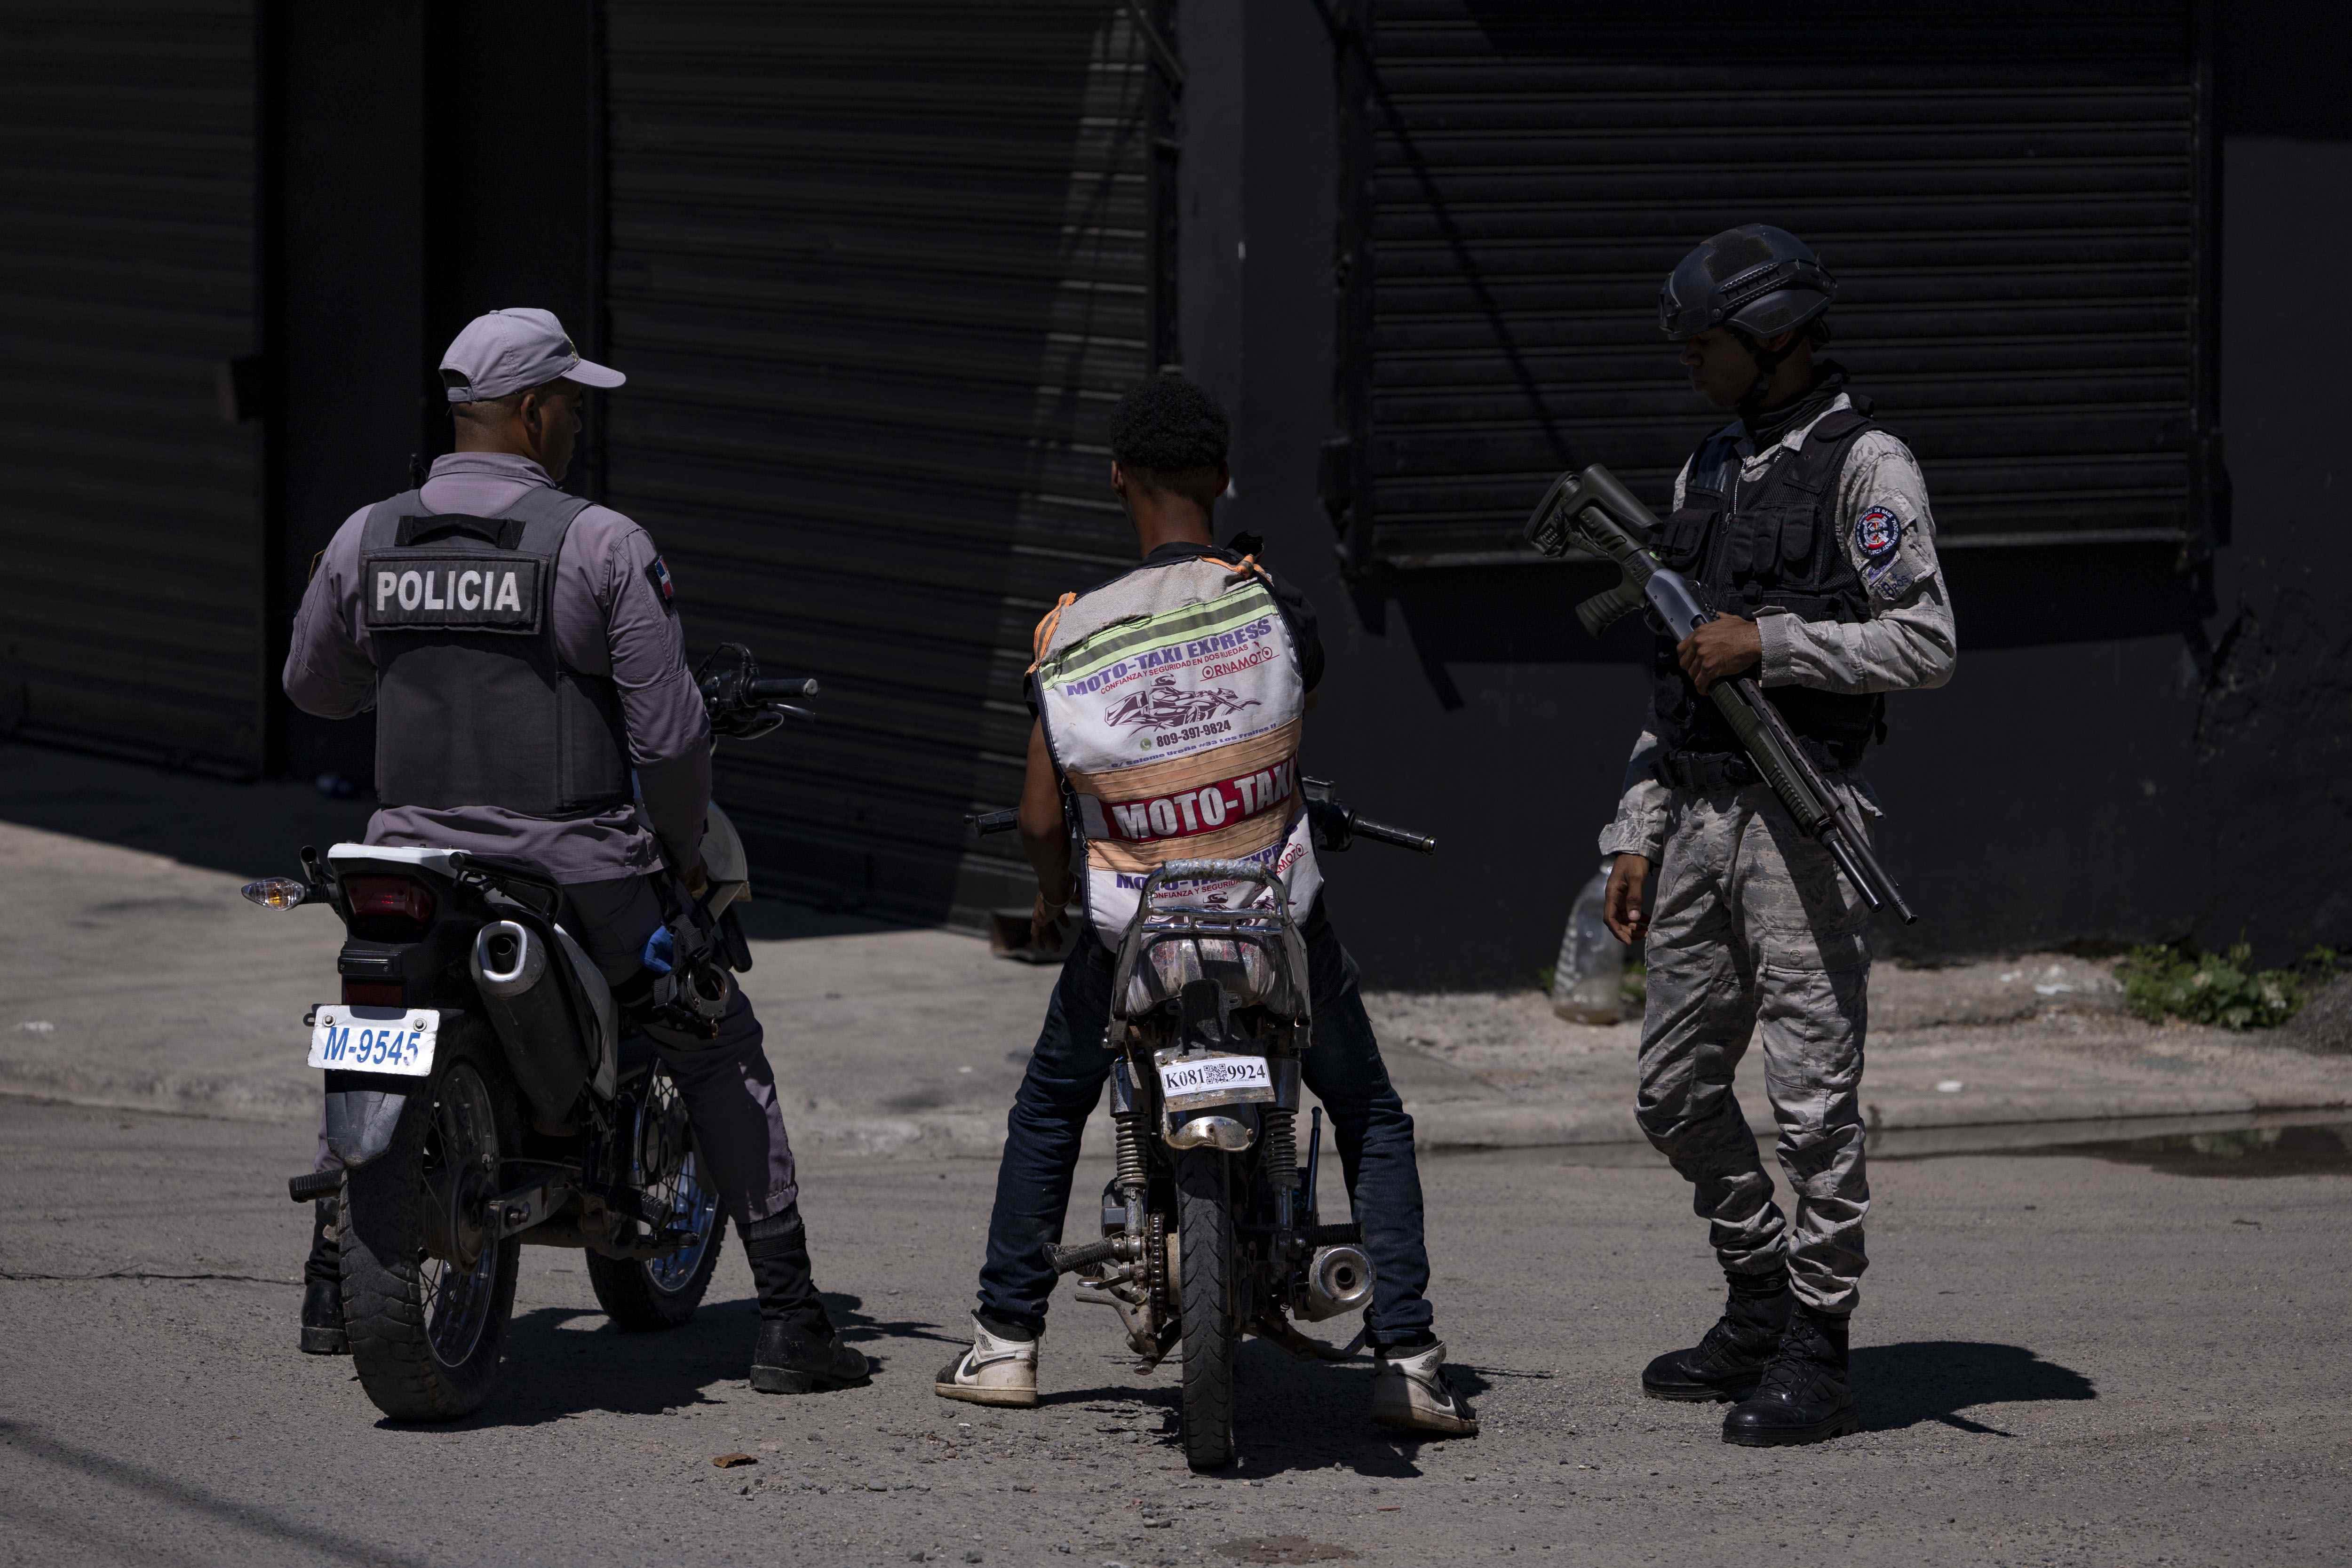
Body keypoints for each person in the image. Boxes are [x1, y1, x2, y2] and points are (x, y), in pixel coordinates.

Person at [281, 307, 866, 1394]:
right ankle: (789, 1312)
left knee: (373, 1022)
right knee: (712, 1033)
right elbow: (672, 737)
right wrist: (684, 855)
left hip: (405, 864)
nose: (580, 427)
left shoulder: (368, 535)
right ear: (537, 411)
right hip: (576, 873)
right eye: (573, 407)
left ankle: (329, 1282)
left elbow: (312, 687)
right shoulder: (602, 543)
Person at [932, 374, 1475, 1437]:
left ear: (1116, 479)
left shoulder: (1071, 636)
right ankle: (1407, 1358)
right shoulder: (1273, 603)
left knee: (1050, 1107)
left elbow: (1045, 820)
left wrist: (1053, 900)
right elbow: (1287, 724)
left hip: (1127, 932)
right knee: (1368, 1113)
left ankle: (1006, 1344)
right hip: (1275, 921)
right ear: (1222, 479)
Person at [1601, 226, 1956, 1445]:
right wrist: (1635, 831)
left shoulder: (1870, 467)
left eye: (1709, 344)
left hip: (1801, 819)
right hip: (1697, 814)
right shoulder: (1709, 466)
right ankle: (1758, 1291)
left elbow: (1927, 641)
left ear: (1779, 339)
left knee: (1813, 1104)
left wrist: (1777, 642)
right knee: (1672, 1088)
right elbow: (1670, 672)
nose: (1692, 363)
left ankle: (1821, 1344)